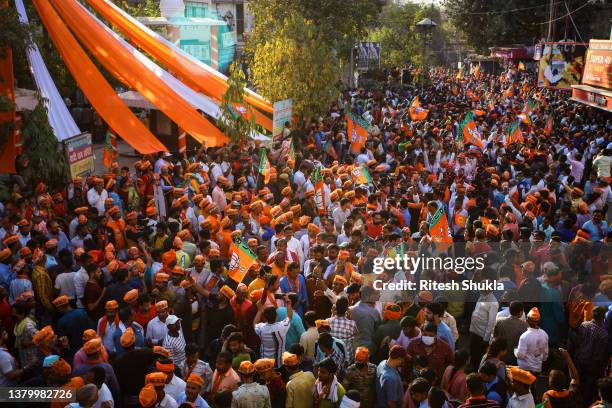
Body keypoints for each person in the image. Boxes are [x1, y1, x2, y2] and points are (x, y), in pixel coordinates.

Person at [254, 293, 293, 368]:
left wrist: (259, 311)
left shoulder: (261, 329)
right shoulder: (282, 327)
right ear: (276, 316)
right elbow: (289, 317)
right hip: (279, 365)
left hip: (265, 365)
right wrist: (288, 303)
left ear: (265, 318)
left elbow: (255, 324)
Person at [516, 307, 548, 375]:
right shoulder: (544, 334)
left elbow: (520, 355)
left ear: (527, 320)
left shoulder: (524, 336)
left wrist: (515, 351)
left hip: (525, 369)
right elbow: (545, 355)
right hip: (537, 368)